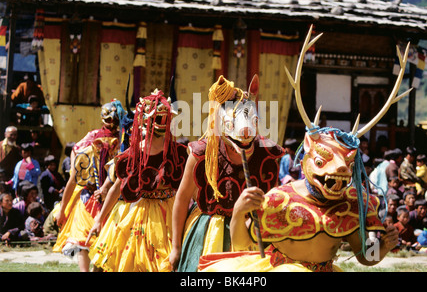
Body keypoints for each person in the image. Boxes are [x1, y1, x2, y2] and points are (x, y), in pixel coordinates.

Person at [198, 27, 404, 272]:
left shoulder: (350, 204)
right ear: (307, 156)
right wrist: (239, 213)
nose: (338, 172)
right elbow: (246, 249)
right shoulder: (278, 199)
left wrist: (382, 247)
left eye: (346, 166)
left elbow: (365, 257)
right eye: (322, 161)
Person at [170, 75, 284, 272]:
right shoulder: (203, 153)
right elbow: (182, 198)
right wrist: (176, 247)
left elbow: (276, 201)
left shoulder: (268, 154)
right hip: (208, 235)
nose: (246, 133)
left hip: (252, 234)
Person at [87, 90, 189, 272]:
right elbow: (116, 188)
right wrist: (99, 219)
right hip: (135, 213)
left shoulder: (178, 153)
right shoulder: (132, 155)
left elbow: (190, 188)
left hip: (169, 214)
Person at [53, 99, 126, 272]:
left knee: (86, 241)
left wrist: (63, 208)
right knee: (103, 241)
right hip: (110, 198)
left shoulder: (92, 139)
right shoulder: (123, 141)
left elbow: (74, 176)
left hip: (91, 197)